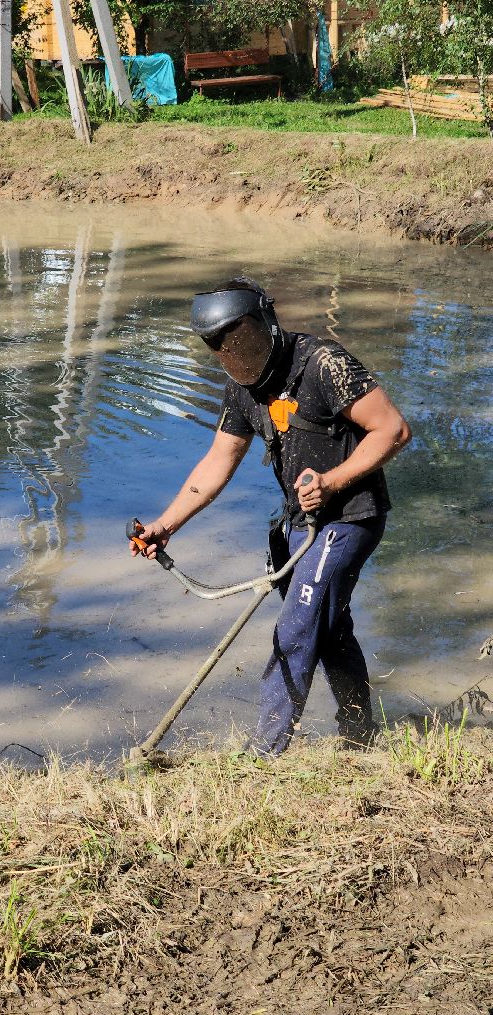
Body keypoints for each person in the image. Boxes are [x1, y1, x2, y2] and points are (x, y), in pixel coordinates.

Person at [129, 278, 411, 753]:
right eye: (225, 348)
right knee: (328, 624)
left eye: (244, 340)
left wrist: (331, 482)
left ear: (266, 321)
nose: (238, 355)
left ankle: (264, 755)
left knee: (297, 625)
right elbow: (217, 463)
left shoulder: (324, 364)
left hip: (350, 517)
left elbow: (394, 429)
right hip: (300, 524)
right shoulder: (242, 388)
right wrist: (165, 526)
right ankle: (360, 735)